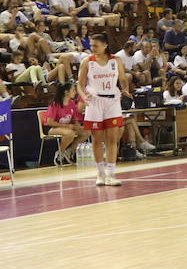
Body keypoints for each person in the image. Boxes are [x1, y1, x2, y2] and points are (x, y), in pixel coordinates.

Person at [78, 33, 131, 186]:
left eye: (95, 45)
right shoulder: (87, 62)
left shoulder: (116, 60)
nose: (92, 48)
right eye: (91, 45)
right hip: (94, 101)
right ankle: (100, 173)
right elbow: (80, 85)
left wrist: (125, 88)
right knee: (97, 139)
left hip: (112, 101)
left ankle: (111, 174)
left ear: (105, 45)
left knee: (112, 139)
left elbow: (122, 78)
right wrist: (83, 96)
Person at [41, 84, 86, 165]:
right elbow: (50, 122)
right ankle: (60, 153)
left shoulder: (71, 103)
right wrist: (67, 126)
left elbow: (74, 118)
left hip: (67, 127)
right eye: (73, 90)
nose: (75, 92)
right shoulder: (54, 104)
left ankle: (69, 151)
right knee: (70, 133)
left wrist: (77, 125)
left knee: (87, 131)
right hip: (51, 128)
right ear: (66, 92)